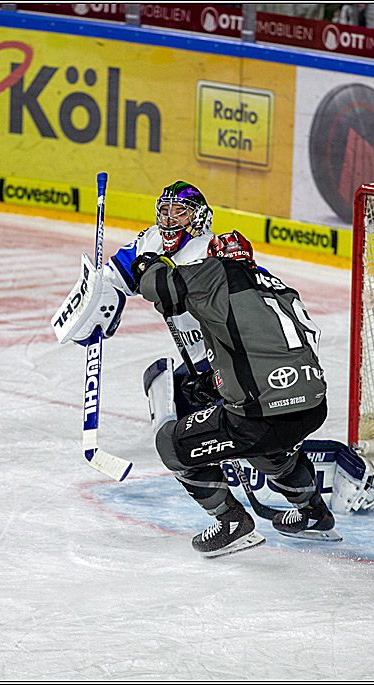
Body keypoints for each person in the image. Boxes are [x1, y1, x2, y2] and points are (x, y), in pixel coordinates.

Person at [129, 230, 339, 558]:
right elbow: (264, 350)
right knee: (274, 453)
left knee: (171, 444)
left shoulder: (215, 274)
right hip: (312, 407)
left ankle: (232, 522)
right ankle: (313, 512)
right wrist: (214, 385)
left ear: (214, 258)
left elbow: (158, 286)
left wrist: (146, 263)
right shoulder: (279, 287)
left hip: (260, 419)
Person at [52, 181, 217, 416]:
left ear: (199, 218)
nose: (169, 221)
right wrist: (95, 304)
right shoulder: (152, 240)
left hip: (228, 358)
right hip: (197, 360)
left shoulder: (212, 249)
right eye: (165, 212)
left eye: (180, 213)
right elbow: (113, 277)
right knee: (181, 407)